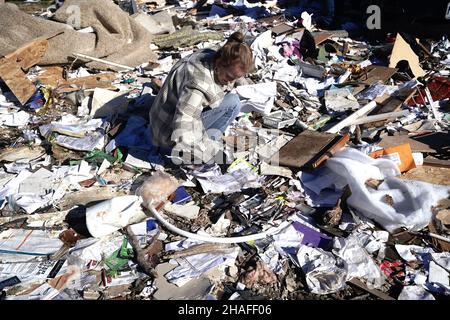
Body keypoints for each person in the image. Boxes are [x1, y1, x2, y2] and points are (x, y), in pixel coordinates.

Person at [149, 31, 254, 165]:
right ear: (219, 64)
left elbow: (234, 72)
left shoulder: (214, 53)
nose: (229, 82)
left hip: (159, 123)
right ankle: (198, 151)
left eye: (234, 79)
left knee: (230, 98)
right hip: (168, 137)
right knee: (233, 104)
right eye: (228, 77)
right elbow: (183, 125)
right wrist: (211, 153)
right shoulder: (198, 84)